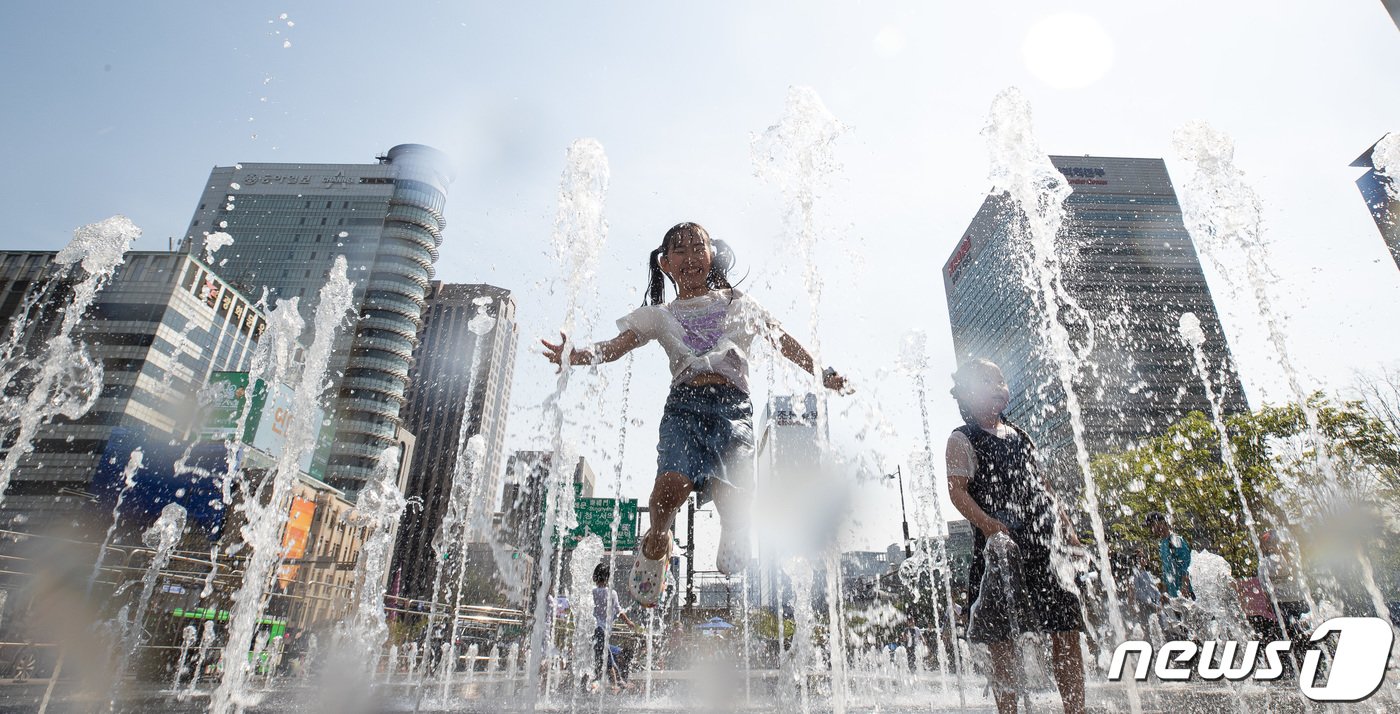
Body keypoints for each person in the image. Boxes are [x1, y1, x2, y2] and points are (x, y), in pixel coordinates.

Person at [543, 222, 849, 606]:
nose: (690, 258)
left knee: (734, 491)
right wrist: (574, 356)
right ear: (666, 263)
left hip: (733, 409)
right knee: (668, 491)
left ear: (711, 255)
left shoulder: (739, 303)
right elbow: (616, 347)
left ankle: (734, 525)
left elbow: (782, 339)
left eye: (697, 248)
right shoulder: (659, 315)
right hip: (684, 408)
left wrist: (822, 373)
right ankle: (657, 540)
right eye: (680, 251)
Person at [944, 358, 1085, 714]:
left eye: (1001, 380)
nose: (998, 387)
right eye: (989, 381)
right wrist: (988, 524)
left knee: (1065, 629)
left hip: (1041, 546)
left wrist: (1066, 528)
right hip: (999, 552)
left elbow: (1046, 487)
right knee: (1002, 640)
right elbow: (957, 491)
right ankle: (1008, 709)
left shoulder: (1021, 435)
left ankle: (1076, 708)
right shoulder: (962, 438)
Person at [591, 563, 638, 692]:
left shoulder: (592, 592)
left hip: (593, 630)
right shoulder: (612, 593)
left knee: (603, 655)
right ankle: (615, 684)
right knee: (606, 657)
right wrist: (628, 622)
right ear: (608, 577)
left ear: (595, 576)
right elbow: (619, 611)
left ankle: (614, 682)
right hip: (603, 631)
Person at [1145, 512, 1195, 600]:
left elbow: (1187, 566)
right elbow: (1167, 572)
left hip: (1185, 595)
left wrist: (1185, 588)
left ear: (1162, 523)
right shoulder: (1162, 544)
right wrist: (1164, 593)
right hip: (1174, 598)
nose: (1151, 529)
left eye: (1152, 525)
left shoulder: (1175, 540)